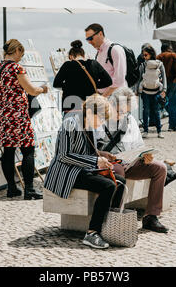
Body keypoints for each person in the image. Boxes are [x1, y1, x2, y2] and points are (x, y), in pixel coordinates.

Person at [43, 94, 127, 249]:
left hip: (80, 169)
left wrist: (102, 155)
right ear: (90, 112)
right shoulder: (70, 124)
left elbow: (86, 152)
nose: (101, 123)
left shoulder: (87, 124)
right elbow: (63, 156)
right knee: (108, 186)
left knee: (120, 182)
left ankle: (108, 225)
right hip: (65, 173)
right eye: (101, 118)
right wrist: (96, 161)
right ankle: (92, 232)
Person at [99, 87, 170, 233]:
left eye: (125, 111)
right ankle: (116, 217)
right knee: (118, 171)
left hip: (130, 162)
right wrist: (106, 155)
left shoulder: (130, 120)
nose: (122, 114)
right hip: (110, 163)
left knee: (160, 168)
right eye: (119, 110)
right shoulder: (101, 120)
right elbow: (93, 148)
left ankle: (151, 216)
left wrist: (145, 155)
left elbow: (138, 145)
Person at [0, 39, 47, 200]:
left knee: (8, 151)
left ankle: (12, 188)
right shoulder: (17, 68)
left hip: (3, 113)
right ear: (16, 50)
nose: (21, 58)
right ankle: (29, 189)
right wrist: (42, 89)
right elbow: (30, 89)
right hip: (18, 115)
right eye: (21, 54)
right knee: (28, 149)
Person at [54, 40, 112, 113]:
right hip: (90, 106)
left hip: (71, 107)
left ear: (71, 56)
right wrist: (95, 84)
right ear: (83, 55)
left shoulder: (67, 65)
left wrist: (69, 85)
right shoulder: (94, 64)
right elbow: (108, 81)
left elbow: (56, 84)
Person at [85, 23, 127, 97]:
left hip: (116, 97)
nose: (89, 42)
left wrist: (103, 97)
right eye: (87, 39)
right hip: (105, 97)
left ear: (100, 34)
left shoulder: (115, 49)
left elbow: (119, 80)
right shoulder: (99, 52)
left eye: (90, 38)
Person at [138, 45, 167, 139]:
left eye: (145, 55)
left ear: (151, 54)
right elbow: (139, 78)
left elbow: (164, 77)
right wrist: (137, 90)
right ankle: (146, 130)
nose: (144, 57)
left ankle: (159, 131)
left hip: (153, 91)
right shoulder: (144, 64)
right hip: (147, 91)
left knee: (155, 111)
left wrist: (164, 90)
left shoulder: (159, 64)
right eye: (143, 55)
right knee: (147, 111)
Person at [156, 44, 176, 131]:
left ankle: (175, 120)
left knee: (163, 101)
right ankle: (173, 124)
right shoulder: (173, 55)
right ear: (169, 49)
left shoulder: (158, 57)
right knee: (174, 103)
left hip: (162, 82)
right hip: (174, 81)